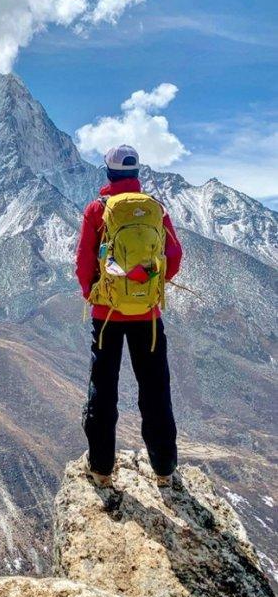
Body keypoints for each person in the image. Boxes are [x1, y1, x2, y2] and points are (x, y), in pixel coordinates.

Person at [76, 144, 183, 488]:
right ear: (137, 174)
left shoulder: (97, 209)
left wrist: (97, 295)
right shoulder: (155, 209)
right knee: (155, 390)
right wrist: (149, 284)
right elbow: (174, 255)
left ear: (108, 173)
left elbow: (83, 262)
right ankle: (164, 469)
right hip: (147, 317)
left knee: (103, 390)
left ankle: (101, 469)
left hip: (107, 317)